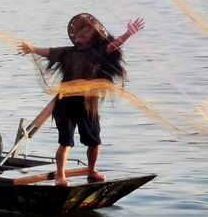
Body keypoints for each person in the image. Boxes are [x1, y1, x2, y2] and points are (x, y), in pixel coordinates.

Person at [18, 13, 145, 186]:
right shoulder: (67, 52)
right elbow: (48, 52)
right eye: (81, 30)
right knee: (66, 142)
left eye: (87, 31)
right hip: (66, 103)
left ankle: (92, 170)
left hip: (88, 103)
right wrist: (31, 48)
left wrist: (128, 34)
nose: (82, 32)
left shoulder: (98, 51)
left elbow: (114, 46)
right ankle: (60, 176)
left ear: (94, 37)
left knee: (94, 141)